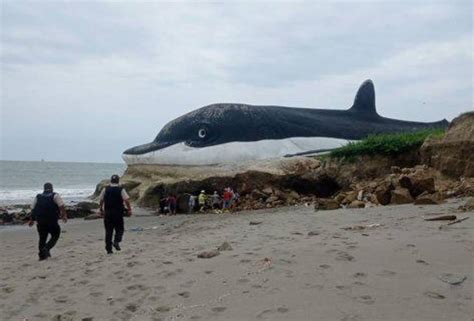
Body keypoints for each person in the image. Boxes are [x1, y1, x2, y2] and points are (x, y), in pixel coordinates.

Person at [29, 183, 67, 261]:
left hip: (40, 221)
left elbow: (32, 208)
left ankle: (42, 256)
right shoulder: (55, 195)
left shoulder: (38, 196)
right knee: (55, 235)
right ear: (52, 188)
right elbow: (61, 206)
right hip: (52, 220)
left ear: (44, 188)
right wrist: (64, 216)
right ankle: (46, 248)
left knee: (42, 238)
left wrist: (31, 219)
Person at [99, 174, 132, 254]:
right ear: (118, 181)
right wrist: (129, 209)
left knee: (108, 231)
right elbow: (126, 200)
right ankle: (116, 241)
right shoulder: (121, 189)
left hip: (108, 213)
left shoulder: (105, 189)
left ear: (111, 181)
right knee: (120, 229)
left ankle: (109, 249)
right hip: (118, 213)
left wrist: (101, 208)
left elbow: (101, 200)